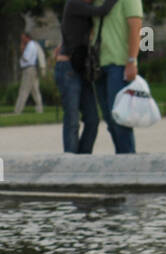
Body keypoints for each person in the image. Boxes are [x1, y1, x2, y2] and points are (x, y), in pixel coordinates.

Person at [55, 0, 118, 153]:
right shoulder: (73, 4)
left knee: (92, 120)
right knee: (72, 120)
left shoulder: (84, 8)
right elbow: (102, 10)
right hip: (68, 67)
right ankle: (71, 160)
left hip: (81, 68)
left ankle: (82, 157)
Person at [94, 0, 142, 153]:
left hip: (119, 64)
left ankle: (128, 158)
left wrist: (132, 60)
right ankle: (121, 155)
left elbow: (135, 27)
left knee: (120, 119)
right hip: (99, 65)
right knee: (109, 118)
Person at [15, 30, 45, 113]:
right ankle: (40, 109)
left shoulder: (30, 46)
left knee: (24, 90)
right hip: (32, 69)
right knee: (35, 91)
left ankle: (18, 110)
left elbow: (26, 58)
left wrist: (22, 49)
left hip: (29, 70)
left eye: (23, 38)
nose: (22, 39)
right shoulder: (32, 45)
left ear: (27, 37)